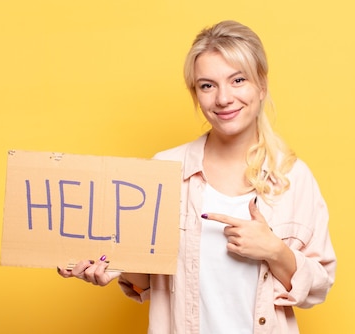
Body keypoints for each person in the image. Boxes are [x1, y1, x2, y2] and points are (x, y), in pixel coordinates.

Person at [57, 20, 336, 334]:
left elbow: (319, 286)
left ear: (261, 86)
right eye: (207, 85)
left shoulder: (292, 178)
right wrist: (110, 267)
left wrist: (274, 250)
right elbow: (146, 280)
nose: (223, 98)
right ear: (196, 94)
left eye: (238, 80)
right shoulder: (165, 170)